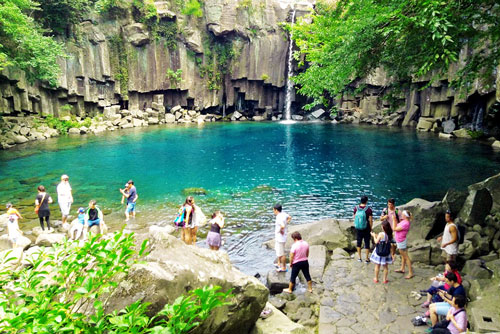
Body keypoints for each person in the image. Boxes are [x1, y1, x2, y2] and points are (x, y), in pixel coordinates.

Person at [393, 210, 414, 279]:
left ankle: (410, 273)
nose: (401, 215)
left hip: (401, 241)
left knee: (405, 256)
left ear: (405, 216)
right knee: (403, 256)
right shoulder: (404, 221)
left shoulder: (406, 223)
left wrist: (394, 220)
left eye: (402, 214)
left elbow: (395, 228)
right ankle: (402, 268)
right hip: (400, 240)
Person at [354, 195, 373, 263]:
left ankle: (359, 258)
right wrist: (371, 228)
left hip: (358, 228)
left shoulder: (356, 208)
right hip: (366, 228)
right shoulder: (368, 209)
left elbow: (354, 217)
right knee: (367, 242)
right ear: (366, 201)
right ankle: (367, 258)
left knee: (359, 242)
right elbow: (370, 220)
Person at [274, 203, 292, 272]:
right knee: (279, 251)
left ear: (276, 210)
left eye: (273, 210)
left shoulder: (278, 217)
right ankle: (279, 263)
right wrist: (286, 222)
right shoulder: (283, 214)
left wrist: (280, 230)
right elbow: (290, 217)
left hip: (280, 238)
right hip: (282, 237)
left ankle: (283, 268)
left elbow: (282, 226)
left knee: (282, 254)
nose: (273, 211)